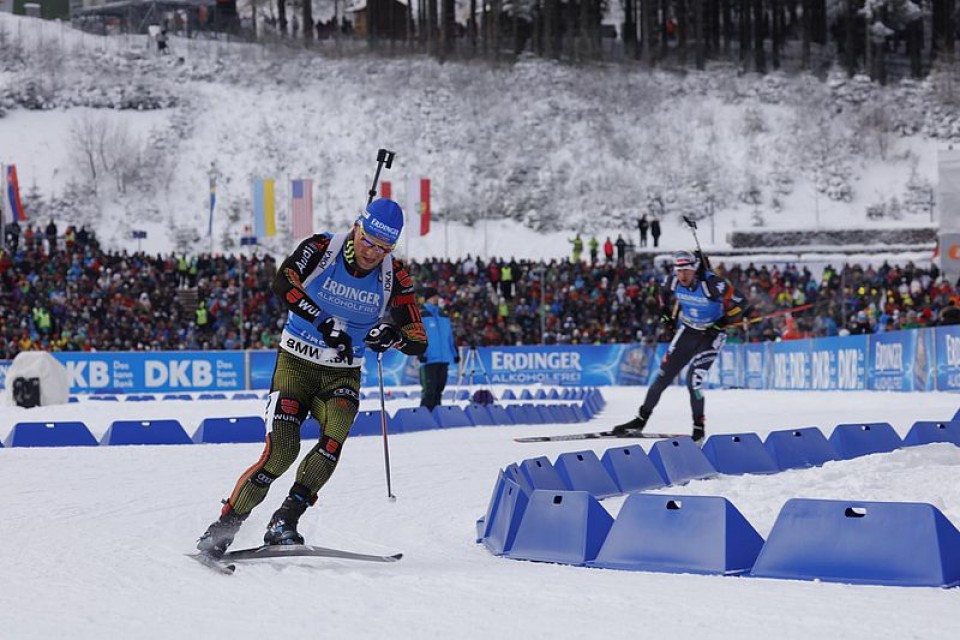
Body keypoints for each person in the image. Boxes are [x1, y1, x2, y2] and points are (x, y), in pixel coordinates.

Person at [196, 198, 428, 559]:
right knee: (281, 452)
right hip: (296, 365)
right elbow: (283, 282)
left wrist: (391, 335)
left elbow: (417, 337)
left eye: (383, 248)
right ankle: (224, 527)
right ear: (357, 228)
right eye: (368, 241)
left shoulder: (394, 276)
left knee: (333, 441)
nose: (372, 253)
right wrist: (323, 322)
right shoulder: (322, 248)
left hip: (342, 373)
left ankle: (285, 520)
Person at [612, 249, 746, 443]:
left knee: (693, 380)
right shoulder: (673, 281)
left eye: (686, 271)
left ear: (695, 269)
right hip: (688, 332)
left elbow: (741, 303)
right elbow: (661, 293)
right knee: (661, 377)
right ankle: (640, 420)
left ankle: (698, 429)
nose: (682, 275)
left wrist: (722, 322)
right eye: (679, 270)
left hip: (711, 336)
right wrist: (666, 314)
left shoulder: (712, 284)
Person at [419, 286, 459, 411]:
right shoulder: (421, 315)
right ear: (427, 299)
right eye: (433, 296)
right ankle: (425, 415)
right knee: (429, 391)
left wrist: (455, 353)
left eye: (436, 296)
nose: (436, 299)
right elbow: (417, 336)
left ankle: (437, 415)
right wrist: (420, 353)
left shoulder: (444, 316)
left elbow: (449, 337)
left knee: (439, 389)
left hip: (444, 359)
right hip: (429, 359)